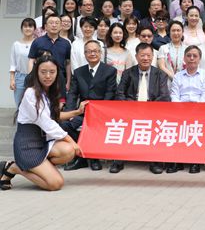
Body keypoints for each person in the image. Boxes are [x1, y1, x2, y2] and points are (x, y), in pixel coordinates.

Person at [0, 55, 85, 191]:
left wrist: (77, 112)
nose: (48, 76)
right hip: (28, 146)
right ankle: (15, 168)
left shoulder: (50, 92)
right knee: (55, 184)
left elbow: (54, 116)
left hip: (43, 143)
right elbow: (47, 123)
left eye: (52, 72)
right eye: (43, 72)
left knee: (68, 151)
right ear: (36, 73)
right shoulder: (31, 93)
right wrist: (72, 141)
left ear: (57, 73)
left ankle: (41, 169)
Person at [63, 40, 117, 172]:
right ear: (85, 54)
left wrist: (99, 112)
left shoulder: (110, 71)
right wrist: (70, 112)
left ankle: (93, 158)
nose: (92, 54)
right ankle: (82, 156)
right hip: (83, 112)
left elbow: (110, 94)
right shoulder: (78, 72)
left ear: (100, 53)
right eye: (89, 51)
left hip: (101, 113)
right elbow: (73, 93)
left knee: (93, 126)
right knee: (65, 125)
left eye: (95, 51)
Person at [115, 43, 170, 174]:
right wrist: (131, 107)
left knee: (157, 126)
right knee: (120, 126)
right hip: (131, 111)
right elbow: (120, 93)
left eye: (148, 55)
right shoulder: (128, 73)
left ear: (153, 57)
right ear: (136, 57)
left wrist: (149, 109)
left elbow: (165, 96)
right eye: (142, 55)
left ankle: (154, 161)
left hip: (153, 112)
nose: (145, 58)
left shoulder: (160, 74)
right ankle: (118, 160)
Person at [169, 45, 205, 174]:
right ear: (184, 58)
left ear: (199, 59)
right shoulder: (178, 76)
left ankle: (195, 162)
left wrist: (196, 109)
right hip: (180, 110)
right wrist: (180, 109)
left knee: (196, 130)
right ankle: (177, 162)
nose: (191, 58)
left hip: (200, 109)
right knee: (175, 129)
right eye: (189, 56)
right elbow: (174, 95)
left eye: (195, 56)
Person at [28, 13, 72, 92]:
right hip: (41, 79)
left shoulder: (66, 43)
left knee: (60, 100)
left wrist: (68, 82)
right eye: (51, 23)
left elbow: (68, 63)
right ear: (45, 26)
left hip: (60, 79)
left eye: (57, 23)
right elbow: (31, 60)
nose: (54, 25)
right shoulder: (37, 42)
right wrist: (31, 77)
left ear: (61, 26)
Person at [10, 18, 36, 106]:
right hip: (20, 77)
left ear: (34, 29)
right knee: (19, 104)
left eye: (30, 26)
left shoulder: (37, 43)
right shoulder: (16, 44)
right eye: (25, 26)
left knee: (33, 104)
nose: (27, 28)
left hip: (34, 77)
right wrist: (12, 79)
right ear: (22, 28)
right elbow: (13, 64)